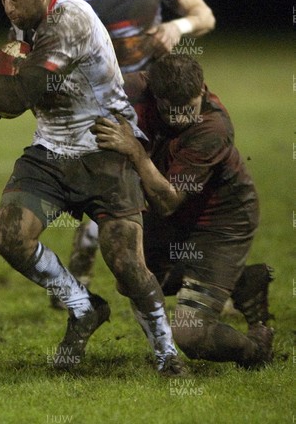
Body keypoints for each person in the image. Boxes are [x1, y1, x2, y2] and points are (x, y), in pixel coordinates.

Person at [0, 0, 187, 376]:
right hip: (51, 149)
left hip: (106, 147)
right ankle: (84, 307)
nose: (7, 6)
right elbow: (17, 102)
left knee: (125, 263)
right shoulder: (28, 17)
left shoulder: (69, 23)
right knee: (10, 235)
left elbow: (15, 95)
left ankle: (166, 353)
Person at [53, 0, 216, 303]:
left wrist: (179, 25)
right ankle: (84, 266)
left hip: (161, 102)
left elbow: (205, 16)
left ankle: (202, 279)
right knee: (119, 192)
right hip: (109, 108)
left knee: (175, 188)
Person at [92, 54, 274, 369]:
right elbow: (83, 82)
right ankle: (240, 281)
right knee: (130, 278)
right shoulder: (133, 87)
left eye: (187, 109)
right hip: (170, 216)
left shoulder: (213, 127)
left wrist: (134, 150)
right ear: (154, 93)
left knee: (191, 334)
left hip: (220, 221)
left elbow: (168, 200)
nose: (178, 119)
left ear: (201, 91)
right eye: (168, 110)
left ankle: (256, 349)